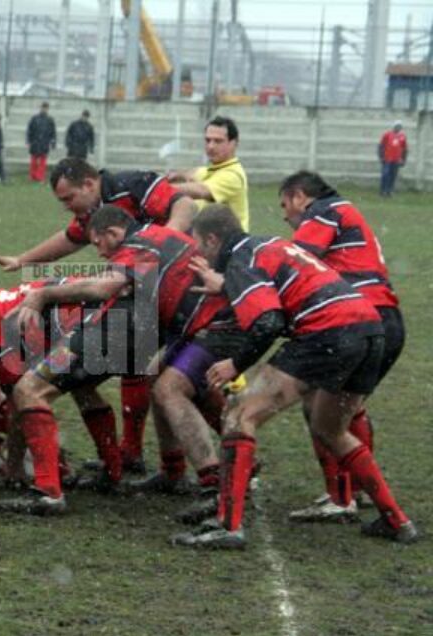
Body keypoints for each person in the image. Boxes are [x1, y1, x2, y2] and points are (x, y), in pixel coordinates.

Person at [173, 205, 418, 549]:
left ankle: (228, 526)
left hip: (328, 331)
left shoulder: (241, 258)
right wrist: (229, 288)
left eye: (200, 246)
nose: (201, 254)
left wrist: (235, 365)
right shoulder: (268, 244)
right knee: (331, 429)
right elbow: (283, 292)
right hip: (369, 327)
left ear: (213, 240)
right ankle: (396, 520)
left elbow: (268, 323)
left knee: (238, 414)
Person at [0, 158, 199, 475]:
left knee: (178, 374)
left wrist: (161, 245)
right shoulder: (91, 216)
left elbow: (186, 203)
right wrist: (22, 260)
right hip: (134, 301)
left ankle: (53, 485)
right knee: (146, 370)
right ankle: (138, 461)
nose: (68, 207)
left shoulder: (131, 184)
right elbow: (70, 239)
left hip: (173, 287)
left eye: (69, 198)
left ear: (89, 184)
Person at [278, 171, 404, 523]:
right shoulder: (344, 211)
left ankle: (340, 496)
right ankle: (359, 489)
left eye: (285, 205)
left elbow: (295, 260)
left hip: (355, 319)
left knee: (318, 406)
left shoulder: (324, 210)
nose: (285, 215)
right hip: (386, 319)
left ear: (299, 196)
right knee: (347, 408)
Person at [168, 115, 250, 230]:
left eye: (218, 141)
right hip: (209, 242)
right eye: (208, 140)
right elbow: (192, 173)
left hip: (228, 245)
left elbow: (202, 191)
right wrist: (177, 175)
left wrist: (162, 188)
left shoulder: (233, 175)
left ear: (234, 143)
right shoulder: (213, 170)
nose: (211, 146)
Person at [26, 102, 56, 182]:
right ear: (40, 108)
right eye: (43, 108)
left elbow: (53, 132)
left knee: (43, 162)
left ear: (48, 109)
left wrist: (53, 142)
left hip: (44, 143)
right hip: (35, 142)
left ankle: (40, 177)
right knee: (33, 161)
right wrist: (28, 141)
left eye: (46, 108)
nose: (44, 109)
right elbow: (29, 130)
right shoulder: (34, 118)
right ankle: (32, 176)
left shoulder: (50, 120)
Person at [378, 121, 407, 197]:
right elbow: (381, 146)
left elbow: (404, 149)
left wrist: (403, 159)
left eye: (399, 126)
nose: (398, 128)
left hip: (396, 160)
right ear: (394, 126)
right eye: (397, 126)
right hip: (387, 159)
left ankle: (389, 191)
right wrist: (381, 157)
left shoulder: (402, 136)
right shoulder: (387, 135)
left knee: (393, 176)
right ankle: (383, 190)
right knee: (385, 175)